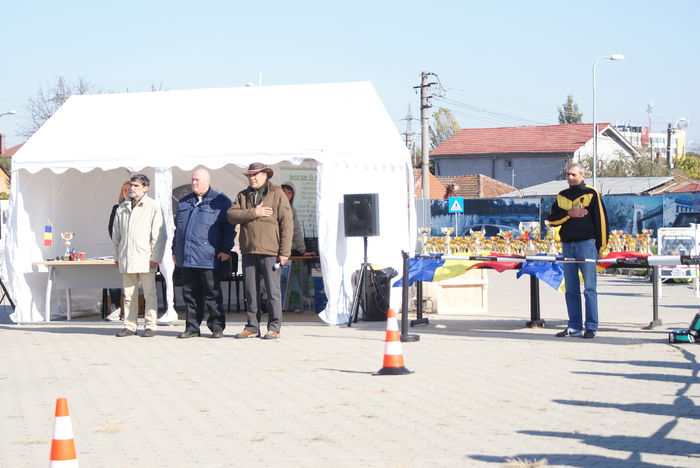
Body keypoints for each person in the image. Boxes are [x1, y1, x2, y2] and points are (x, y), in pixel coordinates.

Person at [227, 162, 293, 339]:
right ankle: (252, 326)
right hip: (249, 249)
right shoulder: (243, 195)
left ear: (266, 175)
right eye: (249, 175)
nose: (252, 178)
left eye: (255, 175)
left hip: (271, 250)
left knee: (272, 291)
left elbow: (287, 223)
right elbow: (231, 216)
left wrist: (285, 251)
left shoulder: (277, 194)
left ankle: (274, 327)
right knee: (251, 290)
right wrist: (254, 213)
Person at [547, 163, 609, 339]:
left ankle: (591, 326)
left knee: (589, 288)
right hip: (568, 245)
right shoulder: (562, 196)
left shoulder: (591, 194)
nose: (570, 177)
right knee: (571, 288)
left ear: (583, 176)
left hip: (587, 245)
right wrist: (569, 214)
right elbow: (552, 220)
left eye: (574, 174)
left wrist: (602, 247)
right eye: (568, 174)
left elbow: (601, 221)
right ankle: (574, 326)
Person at [173, 168, 235, 339]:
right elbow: (178, 230)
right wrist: (174, 250)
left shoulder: (220, 201)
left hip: (209, 257)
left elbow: (229, 228)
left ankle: (216, 327)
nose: (194, 183)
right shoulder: (184, 202)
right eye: (193, 179)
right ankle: (192, 327)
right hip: (187, 256)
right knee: (190, 295)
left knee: (212, 294)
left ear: (208, 181)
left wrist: (225, 249)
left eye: (197, 180)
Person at [112, 174, 166, 337]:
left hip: (145, 259)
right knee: (128, 295)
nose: (132, 188)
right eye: (131, 185)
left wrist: (155, 258)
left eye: (136, 185)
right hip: (127, 258)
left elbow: (159, 235)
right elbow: (116, 235)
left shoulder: (153, 206)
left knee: (149, 294)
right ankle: (130, 325)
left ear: (145, 188)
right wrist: (116, 257)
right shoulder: (122, 207)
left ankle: (150, 325)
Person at [105, 181, 131, 321]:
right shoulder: (116, 208)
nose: (126, 192)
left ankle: (129, 310)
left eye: (129, 189)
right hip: (120, 250)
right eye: (124, 190)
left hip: (134, 252)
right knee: (113, 279)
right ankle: (116, 308)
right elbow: (111, 229)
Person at [281, 181, 315, 257]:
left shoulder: (292, 210)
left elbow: (296, 231)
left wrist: (303, 251)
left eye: (289, 193)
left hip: (283, 250)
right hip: (270, 249)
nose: (286, 195)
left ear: (293, 195)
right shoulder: (272, 207)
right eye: (284, 192)